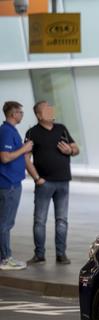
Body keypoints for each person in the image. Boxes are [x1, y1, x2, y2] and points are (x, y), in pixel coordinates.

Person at [24, 101, 78, 265]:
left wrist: (70, 150)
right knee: (39, 221)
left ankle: (61, 254)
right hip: (44, 183)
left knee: (62, 220)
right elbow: (26, 158)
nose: (50, 111)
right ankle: (39, 254)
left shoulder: (61, 128)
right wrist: (37, 178)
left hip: (63, 182)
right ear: (39, 115)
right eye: (46, 109)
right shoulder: (32, 132)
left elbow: (76, 148)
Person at [0, 101, 32, 271]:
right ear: (13, 114)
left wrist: (23, 151)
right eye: (20, 112)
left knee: (4, 222)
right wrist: (24, 148)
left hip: (10, 183)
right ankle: (6, 259)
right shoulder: (6, 131)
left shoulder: (10, 130)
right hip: (9, 184)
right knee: (5, 223)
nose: (22, 115)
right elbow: (5, 157)